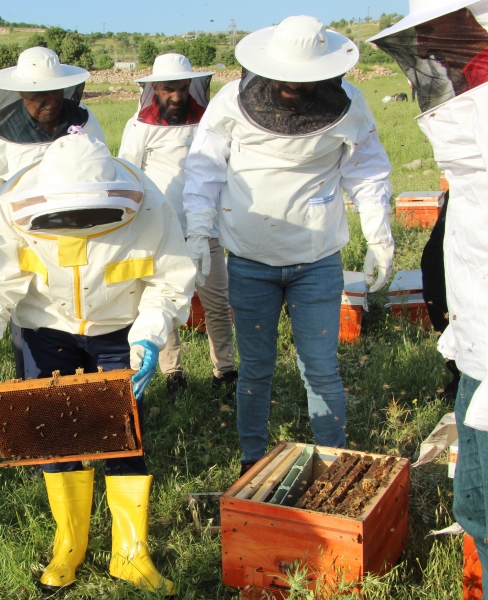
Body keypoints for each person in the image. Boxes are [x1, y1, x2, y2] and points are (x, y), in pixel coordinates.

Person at [0, 130, 194, 595]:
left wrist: (148, 337)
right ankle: (69, 543)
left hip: (118, 328)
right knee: (56, 435)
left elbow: (170, 281)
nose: (76, 223)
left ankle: (131, 553)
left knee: (123, 436)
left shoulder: (149, 205)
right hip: (46, 329)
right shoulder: (10, 206)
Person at [183, 16, 395, 473]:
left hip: (317, 260)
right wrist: (199, 231)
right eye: (286, 78)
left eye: (305, 79)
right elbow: (203, 170)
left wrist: (379, 236)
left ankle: (334, 461)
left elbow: (368, 170)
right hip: (249, 259)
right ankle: (251, 462)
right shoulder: (229, 103)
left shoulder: (350, 105)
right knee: (255, 371)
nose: (293, 87)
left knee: (320, 369)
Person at [371, 0, 488, 574]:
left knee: (484, 513)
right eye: (425, 39)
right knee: (477, 507)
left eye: (446, 34)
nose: (435, 53)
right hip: (475, 349)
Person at [0, 46, 106, 380]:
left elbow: (103, 176)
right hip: (25, 247)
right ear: (20, 92)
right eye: (37, 95)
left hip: (81, 243)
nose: (47, 101)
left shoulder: (85, 120)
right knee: (38, 345)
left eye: (53, 92)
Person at [118, 53, 237, 400]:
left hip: (206, 226)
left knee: (216, 301)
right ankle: (174, 374)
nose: (176, 96)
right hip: (161, 233)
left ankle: (226, 371)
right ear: (155, 88)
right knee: (163, 303)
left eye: (182, 89)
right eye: (169, 89)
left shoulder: (207, 122)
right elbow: (128, 175)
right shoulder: (139, 126)